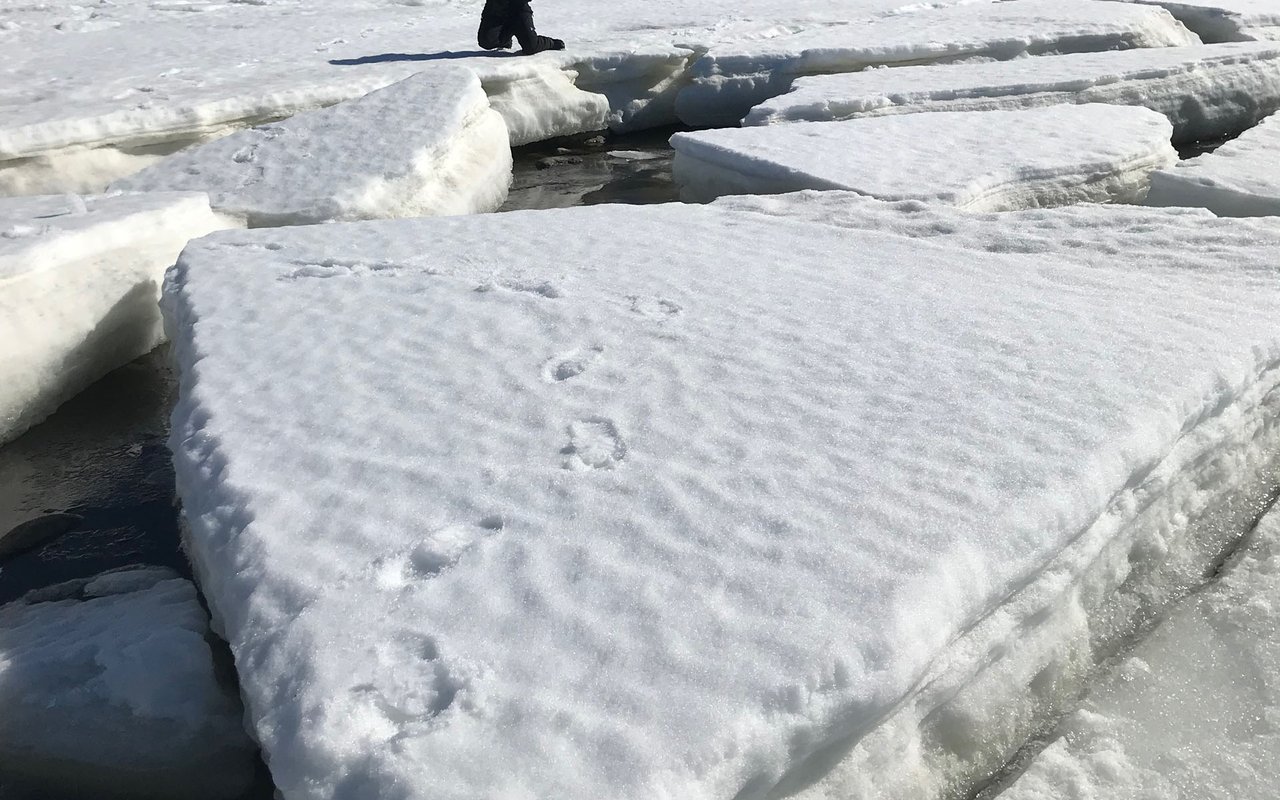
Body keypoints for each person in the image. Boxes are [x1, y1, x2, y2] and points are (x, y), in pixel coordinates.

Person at [477, 0, 564, 55]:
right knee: (486, 42)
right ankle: (505, 38)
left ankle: (551, 43)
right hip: (495, 9)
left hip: (519, 10)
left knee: (531, 47)